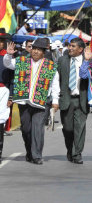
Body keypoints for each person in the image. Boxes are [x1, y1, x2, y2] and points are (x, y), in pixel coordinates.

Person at [3, 38, 59, 165]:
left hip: (41, 103)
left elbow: (55, 84)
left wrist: (55, 101)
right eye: (34, 49)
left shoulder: (50, 66)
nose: (36, 52)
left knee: (38, 129)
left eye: (39, 50)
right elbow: (7, 64)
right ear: (31, 49)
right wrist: (8, 54)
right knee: (26, 130)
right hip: (24, 102)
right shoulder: (22, 61)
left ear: (43, 52)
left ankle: (37, 155)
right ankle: (29, 151)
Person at [58, 38, 89, 164]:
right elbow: (56, 79)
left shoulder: (88, 62)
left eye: (73, 46)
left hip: (81, 100)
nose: (69, 48)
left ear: (80, 49)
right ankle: (70, 149)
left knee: (80, 128)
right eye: (69, 46)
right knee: (68, 129)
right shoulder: (62, 60)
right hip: (66, 99)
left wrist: (87, 61)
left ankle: (77, 154)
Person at [0, 28, 13, 164]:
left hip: (3, 92)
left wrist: (11, 97)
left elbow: (12, 80)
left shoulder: (8, 58)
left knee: (0, 123)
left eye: (2, 41)